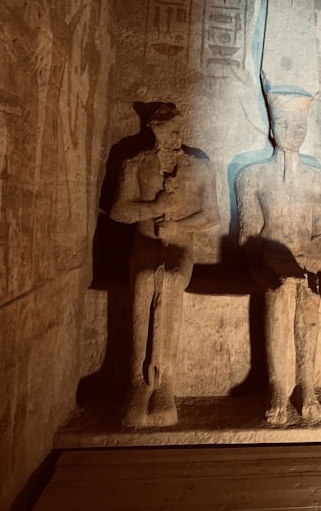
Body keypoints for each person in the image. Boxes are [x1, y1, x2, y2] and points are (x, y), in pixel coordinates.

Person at [109, 103, 219, 427]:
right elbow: (118, 211)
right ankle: (137, 381)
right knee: (144, 280)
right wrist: (153, 207)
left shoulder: (199, 167)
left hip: (180, 246)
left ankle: (164, 381)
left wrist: (178, 227)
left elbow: (211, 216)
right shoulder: (135, 164)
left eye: (176, 131)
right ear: (153, 132)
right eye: (167, 132)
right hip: (144, 245)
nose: (174, 137)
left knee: (170, 281)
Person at [235, 89, 321, 424]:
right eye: (285, 124)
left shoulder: (317, 180)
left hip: (303, 263)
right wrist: (275, 259)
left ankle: (306, 384)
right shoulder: (252, 176)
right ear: (272, 128)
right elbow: (247, 235)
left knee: (307, 296)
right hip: (266, 262)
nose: (292, 131)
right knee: (283, 290)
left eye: (299, 125)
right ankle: (277, 386)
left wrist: (308, 256)